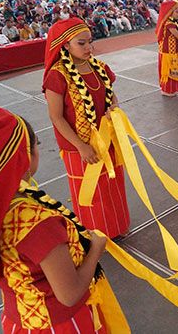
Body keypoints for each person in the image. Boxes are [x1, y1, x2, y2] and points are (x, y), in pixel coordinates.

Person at [0, 107, 130, 333]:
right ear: (24, 156)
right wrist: (96, 248)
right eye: (36, 144)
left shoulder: (1, 205)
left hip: (18, 321)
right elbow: (70, 294)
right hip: (61, 325)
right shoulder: (37, 224)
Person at [42, 18, 130, 239]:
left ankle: (116, 227)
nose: (89, 48)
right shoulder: (57, 75)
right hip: (78, 146)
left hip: (106, 138)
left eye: (90, 42)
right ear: (64, 45)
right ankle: (96, 234)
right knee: (91, 191)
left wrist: (114, 108)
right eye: (81, 43)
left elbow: (112, 96)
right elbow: (56, 117)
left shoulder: (99, 68)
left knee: (112, 183)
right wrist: (81, 146)